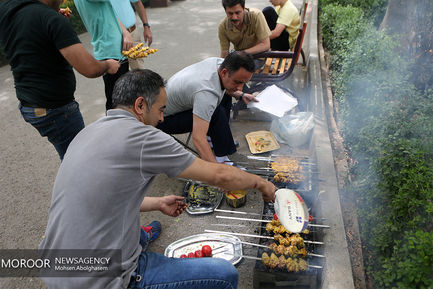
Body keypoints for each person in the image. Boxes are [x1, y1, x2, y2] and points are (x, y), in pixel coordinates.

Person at [39, 69, 276, 289]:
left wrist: (157, 203)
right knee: (224, 274)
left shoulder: (88, 132)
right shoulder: (144, 137)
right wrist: (262, 183)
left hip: (54, 265)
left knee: (132, 230)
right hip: (98, 279)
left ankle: (139, 238)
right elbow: (220, 175)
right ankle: (136, 261)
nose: (163, 119)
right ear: (140, 105)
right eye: (162, 109)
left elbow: (105, 197)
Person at [0, 0, 120, 160]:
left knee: (70, 157)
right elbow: (90, 69)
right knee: (79, 162)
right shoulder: (52, 20)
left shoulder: (8, 7)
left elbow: (27, 31)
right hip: (56, 110)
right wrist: (107, 64)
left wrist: (48, 16)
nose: (63, 1)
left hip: (28, 105)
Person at [157, 51, 258, 164]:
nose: (240, 88)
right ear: (224, 72)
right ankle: (222, 159)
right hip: (163, 119)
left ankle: (215, 139)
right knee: (216, 113)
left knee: (224, 96)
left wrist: (241, 95)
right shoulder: (206, 92)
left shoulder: (219, 63)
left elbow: (224, 87)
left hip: (177, 104)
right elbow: (198, 139)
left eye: (244, 83)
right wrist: (216, 171)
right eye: (237, 82)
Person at [74, 0, 130, 111]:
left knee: (123, 100)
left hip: (113, 49)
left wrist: (125, 32)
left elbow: (110, 13)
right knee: (118, 103)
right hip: (110, 51)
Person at [110, 0, 153, 70]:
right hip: (112, 37)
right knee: (118, 73)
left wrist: (146, 26)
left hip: (132, 33)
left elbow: (137, 2)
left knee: (139, 70)